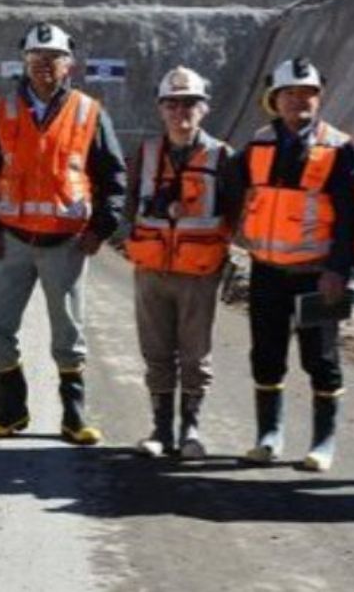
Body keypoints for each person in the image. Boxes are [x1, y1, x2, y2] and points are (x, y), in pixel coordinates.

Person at [0, 22, 127, 445]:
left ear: (68, 64)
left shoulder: (88, 112)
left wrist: (101, 229)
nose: (44, 65)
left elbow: (113, 175)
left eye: (53, 58)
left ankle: (74, 419)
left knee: (69, 335)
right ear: (25, 63)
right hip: (11, 241)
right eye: (37, 58)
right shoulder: (4, 111)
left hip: (66, 243)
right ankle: (10, 413)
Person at [237, 57, 354, 470]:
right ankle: (268, 436)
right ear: (275, 99)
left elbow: (350, 218)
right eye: (290, 94)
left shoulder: (340, 148)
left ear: (319, 97)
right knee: (267, 355)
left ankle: (322, 443)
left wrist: (339, 271)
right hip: (266, 271)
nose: (299, 101)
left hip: (318, 274)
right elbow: (229, 189)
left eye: (307, 94)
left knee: (322, 360)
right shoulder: (258, 144)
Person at [123, 66, 240, 458]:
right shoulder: (147, 154)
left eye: (189, 103)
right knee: (156, 352)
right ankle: (160, 431)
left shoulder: (222, 156)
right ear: (160, 109)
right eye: (172, 104)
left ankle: (190, 429)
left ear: (204, 108)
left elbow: (237, 212)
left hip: (198, 273)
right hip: (152, 271)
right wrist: (135, 243)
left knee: (194, 355)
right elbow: (128, 207)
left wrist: (224, 256)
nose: (180, 112)